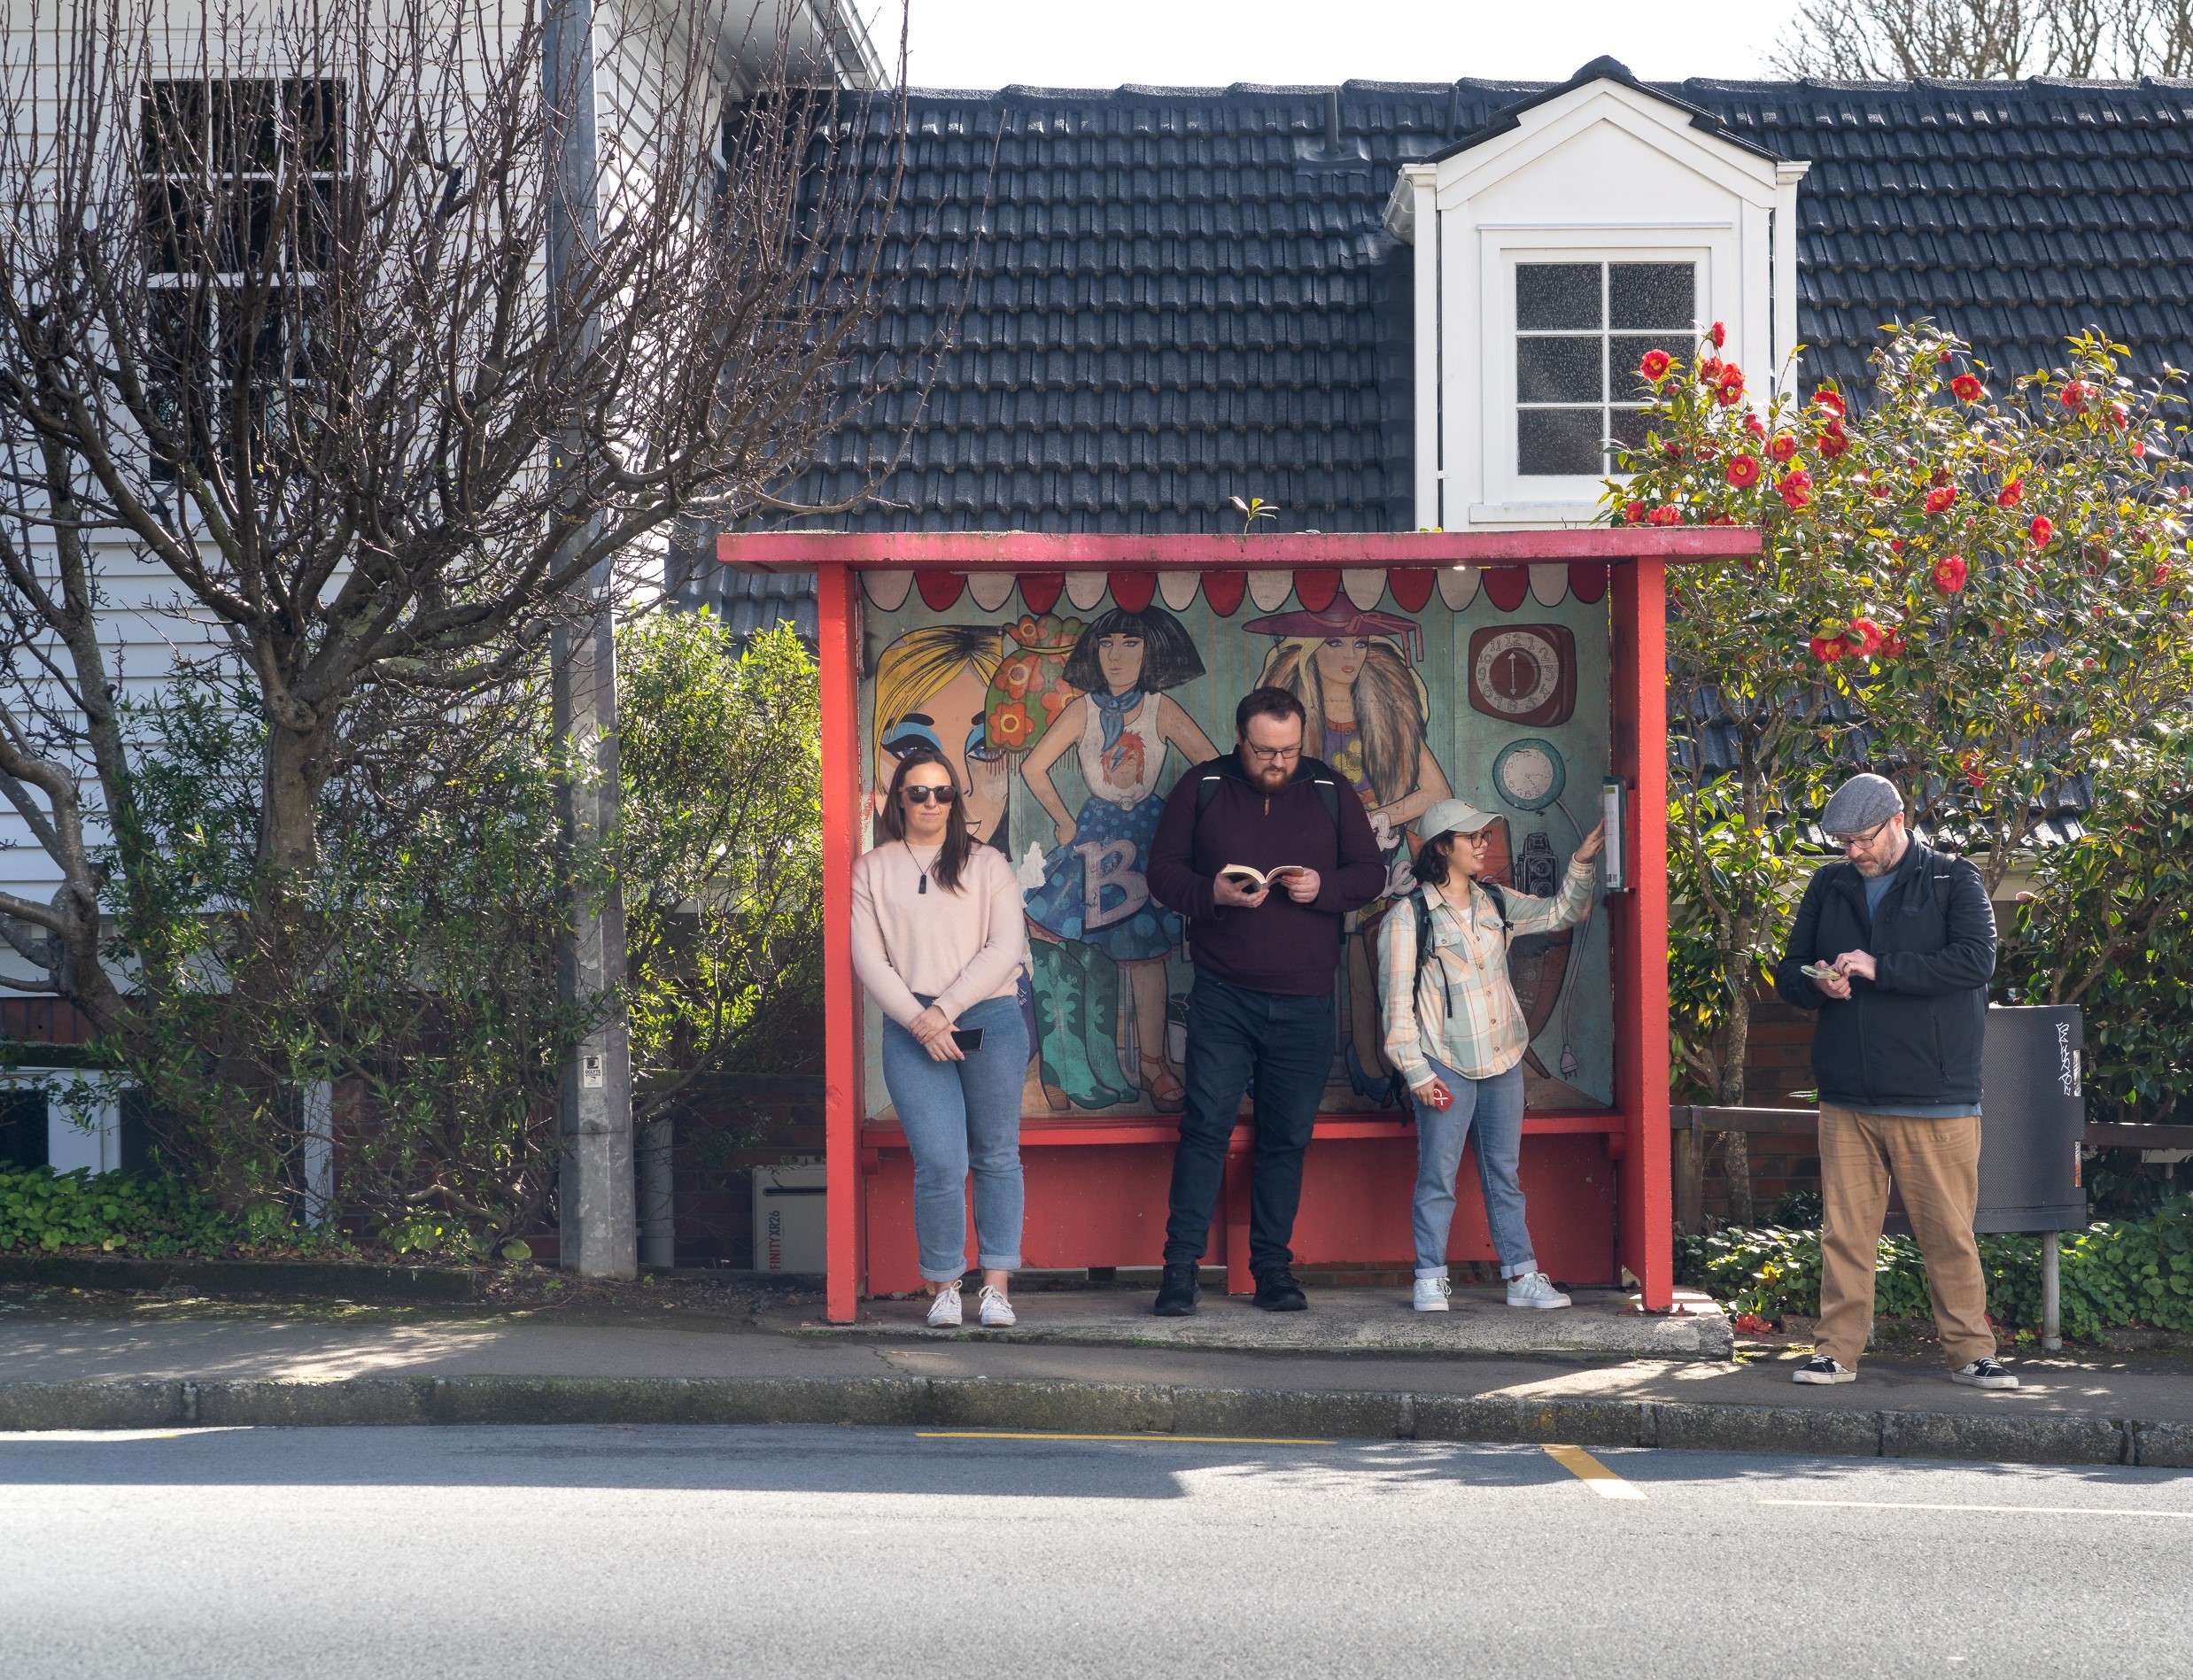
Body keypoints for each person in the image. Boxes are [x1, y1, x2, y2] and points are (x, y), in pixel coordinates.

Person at [1143, 685, 1387, 1314]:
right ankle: (1179, 1270)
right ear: (1239, 739)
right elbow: (1162, 872)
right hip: (1223, 996)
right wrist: (1214, 894)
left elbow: (1370, 874)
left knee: (1286, 1139)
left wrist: (1323, 887)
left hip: (1306, 1002)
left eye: (1288, 750)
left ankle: (1273, 1270)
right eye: (1264, 751)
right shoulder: (1203, 786)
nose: (1277, 762)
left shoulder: (1331, 790)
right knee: (1204, 1129)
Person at [1771, 771, 2017, 1390]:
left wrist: (1883, 966)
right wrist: (1817, 982)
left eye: (1861, 839)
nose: (1852, 852)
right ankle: (1835, 1352)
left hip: (1936, 1093)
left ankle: (1970, 1353)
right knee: (1845, 1233)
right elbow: (1788, 973)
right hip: (1847, 1092)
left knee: (1948, 1234)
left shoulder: (1951, 878)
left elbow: (1976, 959)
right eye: (1843, 841)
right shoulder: (1828, 885)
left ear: (1896, 820)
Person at [1378, 801, 1603, 1312]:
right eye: (1470, 836)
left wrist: (1583, 861)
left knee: (1504, 1173)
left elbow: (1563, 912)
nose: (1483, 844)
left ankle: (1521, 1276)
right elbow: (1395, 1010)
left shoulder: (1495, 903)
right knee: (1438, 1173)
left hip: (1503, 1061)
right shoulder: (1408, 918)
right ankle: (1429, 1277)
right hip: (1443, 1066)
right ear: (1442, 847)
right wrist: (1416, 1074)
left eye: (1485, 835)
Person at [851, 746, 1031, 1328]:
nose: (932, 802)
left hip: (990, 1018)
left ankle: (997, 1288)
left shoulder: (988, 865)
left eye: (943, 791)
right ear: (897, 800)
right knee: (940, 1161)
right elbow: (869, 959)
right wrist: (919, 1019)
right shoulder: (873, 869)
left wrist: (944, 1009)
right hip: (912, 1026)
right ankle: (946, 1283)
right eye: (919, 792)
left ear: (956, 800)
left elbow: (1004, 947)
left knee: (998, 1154)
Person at [1019, 606, 1219, 1111]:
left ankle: (1152, 1062)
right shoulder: (1083, 710)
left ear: (1151, 651)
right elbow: (1034, 766)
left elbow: (1213, 766)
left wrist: (1187, 820)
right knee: (1081, 943)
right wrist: (1063, 821)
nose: (1116, 656)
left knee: (1146, 955)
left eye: (1131, 643)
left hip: (1149, 836)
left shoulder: (1159, 707)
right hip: (1093, 838)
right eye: (1108, 645)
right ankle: (1074, 1062)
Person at [1250, 601, 1453, 1097]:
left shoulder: (1387, 714)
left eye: (1359, 643)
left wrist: (1377, 817)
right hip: (1302, 857)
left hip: (1375, 857)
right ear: (1309, 652)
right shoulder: (1290, 723)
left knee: (1372, 950)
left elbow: (1436, 792)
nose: (1350, 655)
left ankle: (1369, 1056)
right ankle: (1292, 1063)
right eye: (1336, 643)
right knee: (1297, 950)